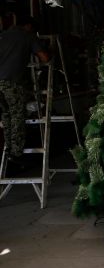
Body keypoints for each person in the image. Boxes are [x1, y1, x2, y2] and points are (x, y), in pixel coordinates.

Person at [0, 15, 49, 173]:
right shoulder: (27, 36)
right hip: (12, 82)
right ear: (28, 26)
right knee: (18, 115)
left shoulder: (3, 34)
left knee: (6, 115)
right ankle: (16, 153)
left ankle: (8, 148)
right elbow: (44, 57)